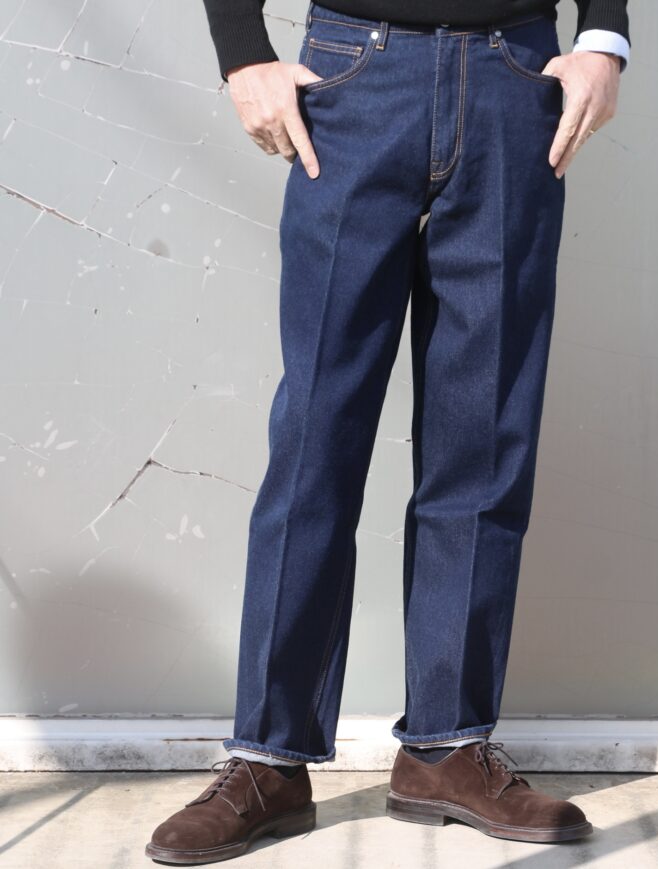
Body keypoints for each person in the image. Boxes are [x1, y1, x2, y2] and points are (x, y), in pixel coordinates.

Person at [146, 0, 630, 862]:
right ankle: (269, 758)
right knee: (315, 435)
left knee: (483, 435)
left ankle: (446, 749)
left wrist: (604, 38)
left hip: (516, 76)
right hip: (353, 74)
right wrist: (241, 51)